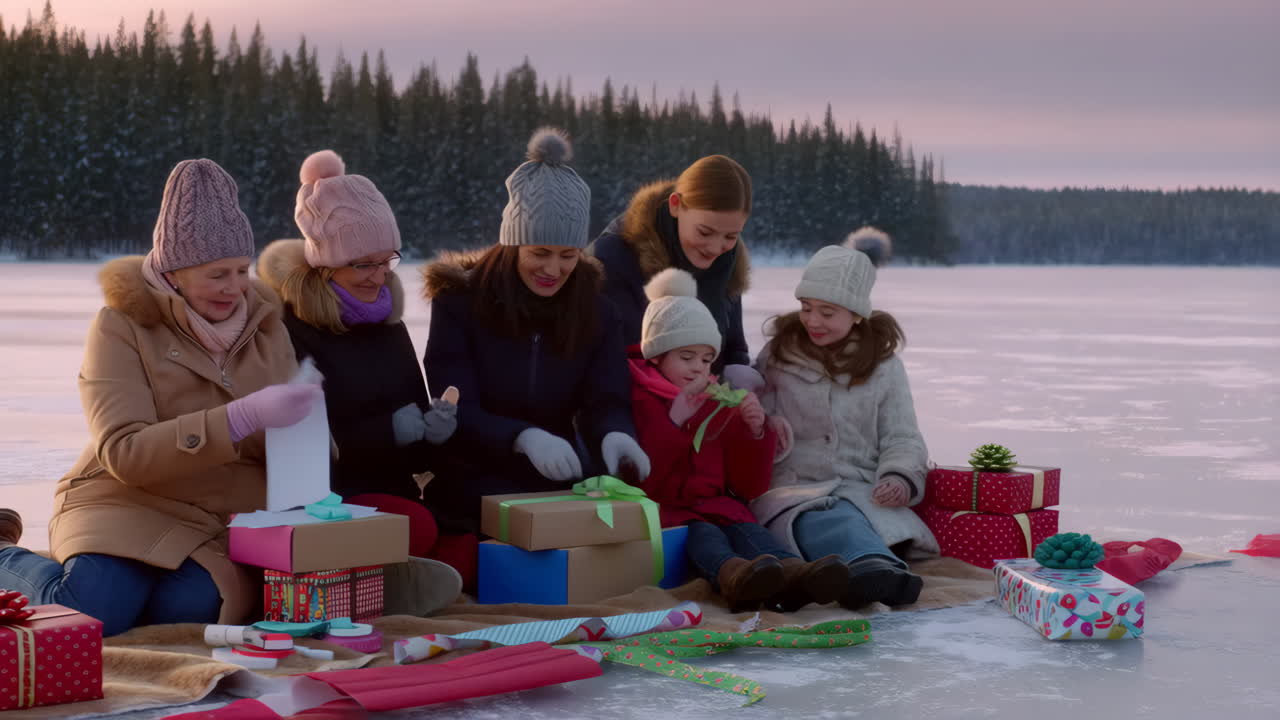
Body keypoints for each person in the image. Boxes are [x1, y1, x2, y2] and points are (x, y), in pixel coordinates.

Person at [0, 159, 316, 636]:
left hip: (212, 521)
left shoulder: (267, 326)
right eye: (217, 275)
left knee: (188, 615)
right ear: (173, 273)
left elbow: (300, 459)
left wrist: (305, 428)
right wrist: (239, 418)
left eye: (241, 270)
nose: (235, 288)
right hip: (125, 500)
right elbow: (124, 453)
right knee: (89, 615)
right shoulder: (121, 326)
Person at [257, 150, 462, 613]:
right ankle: (362, 584)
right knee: (419, 527)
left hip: (389, 494)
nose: (380, 276)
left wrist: (435, 433)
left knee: (458, 533)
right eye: (362, 265)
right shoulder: (293, 329)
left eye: (385, 260)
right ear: (326, 266)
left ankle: (371, 579)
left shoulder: (389, 325)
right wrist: (387, 430)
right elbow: (296, 445)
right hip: (325, 498)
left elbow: (415, 436)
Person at [420, 128, 650, 532]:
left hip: (556, 476)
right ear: (512, 245)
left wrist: (616, 434)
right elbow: (455, 407)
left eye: (568, 255)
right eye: (539, 253)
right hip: (470, 475)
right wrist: (522, 437)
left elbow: (606, 398)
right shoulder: (458, 303)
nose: (553, 269)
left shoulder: (597, 312)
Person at [628, 269, 849, 611]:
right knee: (706, 537)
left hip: (717, 505)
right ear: (657, 355)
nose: (698, 369)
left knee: (750, 530)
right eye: (686, 357)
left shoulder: (713, 400)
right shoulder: (641, 400)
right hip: (668, 513)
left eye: (706, 359)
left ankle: (795, 573)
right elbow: (642, 477)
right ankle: (734, 578)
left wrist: (755, 431)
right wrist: (675, 421)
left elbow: (748, 484)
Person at [751, 238, 939, 609]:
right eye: (806, 308)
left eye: (827, 312)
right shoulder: (778, 355)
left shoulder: (885, 368)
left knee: (854, 515)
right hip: (793, 488)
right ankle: (872, 568)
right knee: (820, 517)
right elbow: (756, 416)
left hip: (860, 489)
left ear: (856, 314)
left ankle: (876, 569)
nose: (813, 321)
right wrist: (764, 422)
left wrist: (899, 478)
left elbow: (902, 436)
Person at [590, 155, 757, 379]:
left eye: (731, 236)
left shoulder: (727, 265)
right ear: (676, 206)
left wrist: (739, 384)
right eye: (705, 232)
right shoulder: (614, 258)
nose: (716, 248)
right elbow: (606, 365)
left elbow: (733, 350)